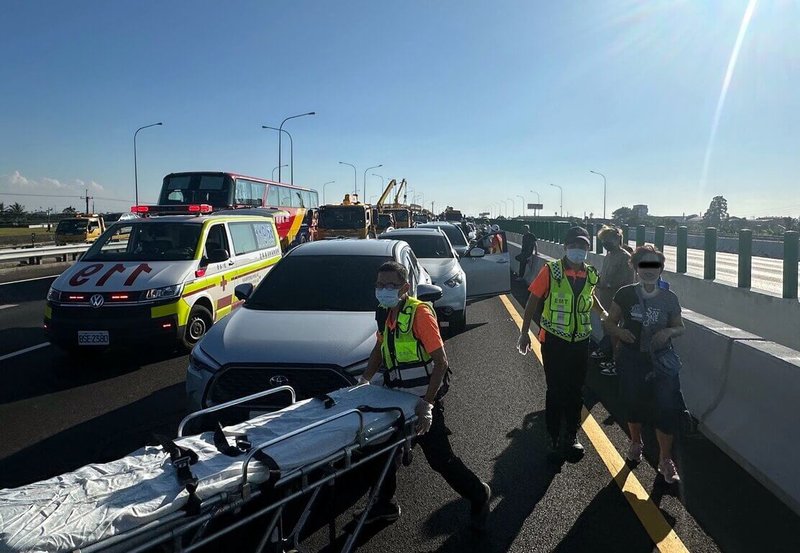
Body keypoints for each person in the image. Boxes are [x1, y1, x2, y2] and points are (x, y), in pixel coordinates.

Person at [358, 261, 492, 530]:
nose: (383, 290)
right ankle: (383, 505)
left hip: (420, 402)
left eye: (390, 285)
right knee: (383, 454)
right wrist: (365, 379)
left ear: (405, 287)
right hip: (396, 400)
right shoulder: (385, 313)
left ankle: (479, 493)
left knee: (440, 460)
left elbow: (441, 362)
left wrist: (427, 405)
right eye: (379, 285)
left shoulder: (419, 314)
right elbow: (379, 349)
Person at [517, 226, 608, 459]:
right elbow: (533, 301)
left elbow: (590, 296)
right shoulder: (552, 271)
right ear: (566, 247)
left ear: (588, 249)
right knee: (556, 390)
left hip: (580, 341)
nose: (578, 250)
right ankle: (553, 435)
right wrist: (524, 331)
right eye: (574, 246)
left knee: (576, 391)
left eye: (583, 246)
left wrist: (604, 314)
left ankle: (571, 435)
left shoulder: (590, 274)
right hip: (554, 341)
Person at [603, 245, 685, 483]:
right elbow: (609, 322)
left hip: (660, 361)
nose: (649, 270)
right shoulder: (625, 294)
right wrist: (620, 332)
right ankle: (635, 442)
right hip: (632, 359)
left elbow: (680, 326)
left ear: (661, 268)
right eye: (644, 265)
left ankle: (665, 460)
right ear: (636, 268)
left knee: (666, 409)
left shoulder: (670, 297)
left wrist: (668, 331)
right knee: (633, 404)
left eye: (654, 265)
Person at [592, 226, 635, 375]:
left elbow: (626, 280)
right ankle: (609, 354)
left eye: (608, 240)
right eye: (603, 240)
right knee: (608, 329)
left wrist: (605, 284)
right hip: (606, 299)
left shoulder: (624, 257)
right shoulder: (609, 255)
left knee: (616, 331)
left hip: (618, 301)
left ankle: (617, 362)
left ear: (618, 239)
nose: (605, 243)